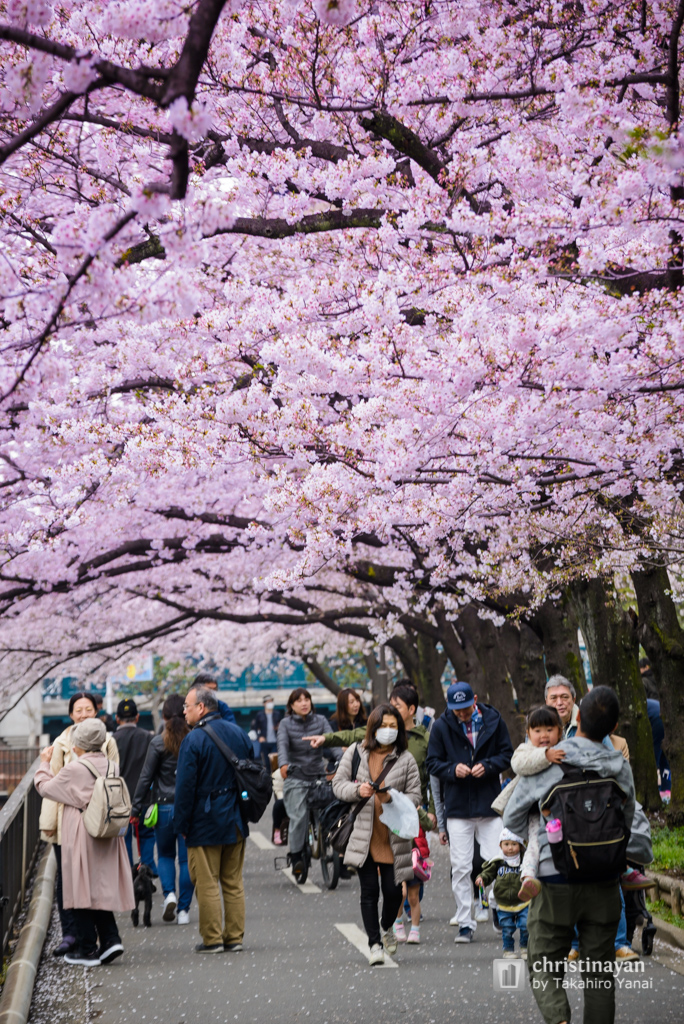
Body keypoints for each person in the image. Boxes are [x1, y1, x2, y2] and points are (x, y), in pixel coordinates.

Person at [503, 686, 636, 1024]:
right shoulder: (619, 766)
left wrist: (542, 826)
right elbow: (628, 818)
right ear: (614, 726)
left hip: (553, 878)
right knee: (599, 973)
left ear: (576, 716)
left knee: (543, 962)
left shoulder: (550, 759)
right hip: (605, 880)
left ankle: (560, 1020)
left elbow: (513, 816)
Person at [34, 718, 134, 967]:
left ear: (78, 743)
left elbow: (45, 787)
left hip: (82, 832)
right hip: (105, 831)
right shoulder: (111, 765)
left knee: (78, 888)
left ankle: (87, 949)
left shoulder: (75, 769)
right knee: (98, 888)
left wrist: (44, 763)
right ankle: (111, 939)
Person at [332, 703, 422, 966]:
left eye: (394, 726)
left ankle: (386, 927)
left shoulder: (405, 759)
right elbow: (338, 785)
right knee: (369, 890)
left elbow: (416, 795)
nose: (388, 731)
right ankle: (374, 944)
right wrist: (356, 791)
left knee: (394, 893)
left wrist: (390, 796)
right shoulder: (356, 752)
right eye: (384, 725)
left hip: (393, 836)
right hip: (363, 834)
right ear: (373, 727)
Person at [425, 681, 513, 943]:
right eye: (457, 710)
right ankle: (466, 921)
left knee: (496, 859)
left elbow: (507, 754)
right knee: (461, 866)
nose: (462, 714)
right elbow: (432, 762)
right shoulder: (441, 726)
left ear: (474, 699)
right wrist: (453, 770)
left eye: (465, 708)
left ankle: (499, 909)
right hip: (458, 806)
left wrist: (488, 766)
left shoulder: (494, 720)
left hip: (490, 803)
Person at [175, 685, 253, 953]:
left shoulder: (194, 740)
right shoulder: (238, 733)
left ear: (201, 707)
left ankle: (213, 939)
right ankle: (235, 937)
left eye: (187, 705)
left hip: (204, 820)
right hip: (236, 818)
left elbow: (184, 788)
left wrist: (182, 825)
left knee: (206, 881)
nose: (183, 711)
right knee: (233, 881)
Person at [131, 694, 194, 925]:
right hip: (190, 809)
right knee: (187, 861)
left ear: (165, 716)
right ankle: (184, 911)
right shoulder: (195, 738)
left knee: (166, 855)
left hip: (163, 808)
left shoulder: (158, 742)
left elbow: (145, 778)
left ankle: (169, 895)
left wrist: (135, 809)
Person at [276, 687, 340, 882]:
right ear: (291, 705)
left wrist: (342, 760)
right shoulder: (285, 724)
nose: (304, 703)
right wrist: (284, 765)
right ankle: (296, 856)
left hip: (318, 775)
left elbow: (333, 742)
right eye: (299, 700)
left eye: (307, 699)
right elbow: (282, 747)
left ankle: (337, 848)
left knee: (333, 811)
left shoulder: (321, 721)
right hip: (296, 777)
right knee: (299, 817)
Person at [112, 699, 156, 871]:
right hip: (145, 797)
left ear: (117, 718)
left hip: (119, 799)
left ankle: (128, 874)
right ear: (137, 717)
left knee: (124, 838)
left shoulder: (112, 741)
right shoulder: (148, 738)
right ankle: (147, 869)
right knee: (147, 835)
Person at [475, 827, 530, 959]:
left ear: (521, 846)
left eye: (514, 844)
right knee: (507, 928)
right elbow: (488, 873)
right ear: (500, 845)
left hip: (522, 900)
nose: (510, 848)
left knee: (525, 925)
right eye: (506, 844)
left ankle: (525, 948)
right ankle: (508, 950)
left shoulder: (524, 860)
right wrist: (482, 878)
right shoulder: (498, 862)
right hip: (504, 902)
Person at [252, 694, 283, 768]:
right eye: (268, 701)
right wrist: (259, 737)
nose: (270, 703)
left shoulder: (277, 714)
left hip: (275, 741)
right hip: (265, 742)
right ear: (264, 703)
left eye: (271, 701)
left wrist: (278, 728)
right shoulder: (260, 715)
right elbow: (255, 728)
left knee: (275, 762)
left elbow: (281, 727)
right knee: (266, 763)